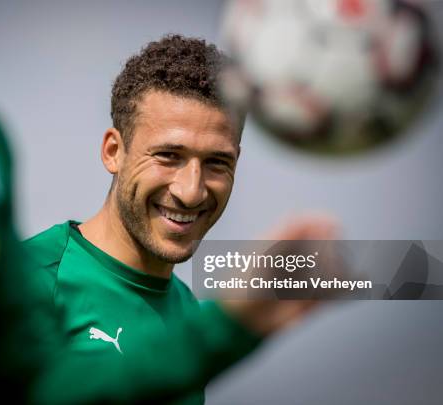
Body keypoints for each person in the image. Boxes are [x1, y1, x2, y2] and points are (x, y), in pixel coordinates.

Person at [23, 34, 337, 404]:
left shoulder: (188, 310)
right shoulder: (31, 281)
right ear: (113, 152)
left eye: (217, 162)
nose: (191, 191)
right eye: (169, 155)